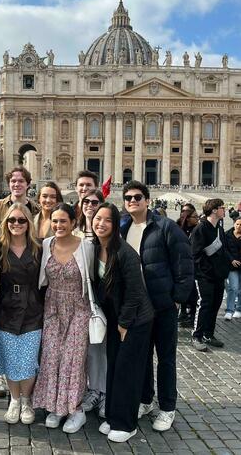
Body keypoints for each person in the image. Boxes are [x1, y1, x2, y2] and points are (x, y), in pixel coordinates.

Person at [120, 181, 193, 432]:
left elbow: (184, 263)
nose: (133, 201)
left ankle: (168, 407)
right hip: (137, 306)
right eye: (128, 197)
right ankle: (145, 399)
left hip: (162, 305)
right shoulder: (123, 227)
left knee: (166, 358)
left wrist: (177, 298)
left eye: (138, 197)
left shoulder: (167, 227)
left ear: (148, 200)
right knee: (142, 357)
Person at [92, 203, 153, 443]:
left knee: (127, 370)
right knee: (114, 367)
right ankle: (113, 415)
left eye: (107, 220)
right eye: (98, 218)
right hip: (116, 317)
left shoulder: (126, 253)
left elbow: (136, 292)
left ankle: (127, 423)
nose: (101, 224)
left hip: (135, 320)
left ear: (116, 224)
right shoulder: (97, 248)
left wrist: (125, 323)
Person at [33, 203, 93, 434]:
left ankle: (75, 409)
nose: (58, 225)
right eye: (54, 221)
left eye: (63, 221)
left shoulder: (86, 247)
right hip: (52, 307)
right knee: (51, 356)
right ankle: (55, 406)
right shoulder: (46, 245)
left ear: (73, 222)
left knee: (73, 360)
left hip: (79, 307)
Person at [0, 166, 39, 397]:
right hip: (3, 284)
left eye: (21, 181)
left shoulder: (36, 209)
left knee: (27, 343)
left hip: (28, 290)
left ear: (28, 183)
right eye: (13, 181)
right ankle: (0, 376)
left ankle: (23, 395)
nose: (16, 223)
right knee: (2, 335)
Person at [0, 203, 42, 425]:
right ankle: (15, 399)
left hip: (33, 310)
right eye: (12, 220)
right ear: (6, 223)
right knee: (11, 358)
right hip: (6, 310)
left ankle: (27, 399)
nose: (16, 224)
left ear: (28, 223)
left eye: (21, 220)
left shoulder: (39, 248)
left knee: (29, 359)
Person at [73, 188, 106, 418]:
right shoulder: (73, 231)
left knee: (98, 348)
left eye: (95, 202)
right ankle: (84, 389)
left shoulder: (108, 232)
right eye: (86, 201)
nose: (90, 205)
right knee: (80, 349)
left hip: (101, 297)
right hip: (76, 298)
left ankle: (100, 390)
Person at [191, 199, 231, 351]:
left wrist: (225, 266)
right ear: (214, 210)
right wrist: (207, 269)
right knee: (204, 304)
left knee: (215, 304)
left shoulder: (219, 228)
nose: (224, 210)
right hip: (204, 275)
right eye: (222, 207)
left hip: (219, 275)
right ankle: (197, 335)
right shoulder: (200, 229)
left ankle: (209, 334)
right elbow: (195, 254)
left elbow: (223, 249)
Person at [176, 204, 199, 327]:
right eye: (195, 216)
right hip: (181, 264)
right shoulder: (177, 227)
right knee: (184, 289)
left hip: (194, 265)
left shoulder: (198, 229)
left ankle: (192, 315)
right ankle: (183, 312)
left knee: (194, 293)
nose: (198, 218)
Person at [225, 217, 241, 320]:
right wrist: (231, 260)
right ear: (234, 224)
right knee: (233, 287)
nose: (239, 226)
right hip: (232, 266)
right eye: (237, 224)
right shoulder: (227, 234)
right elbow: (224, 249)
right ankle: (229, 310)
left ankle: (239, 309)